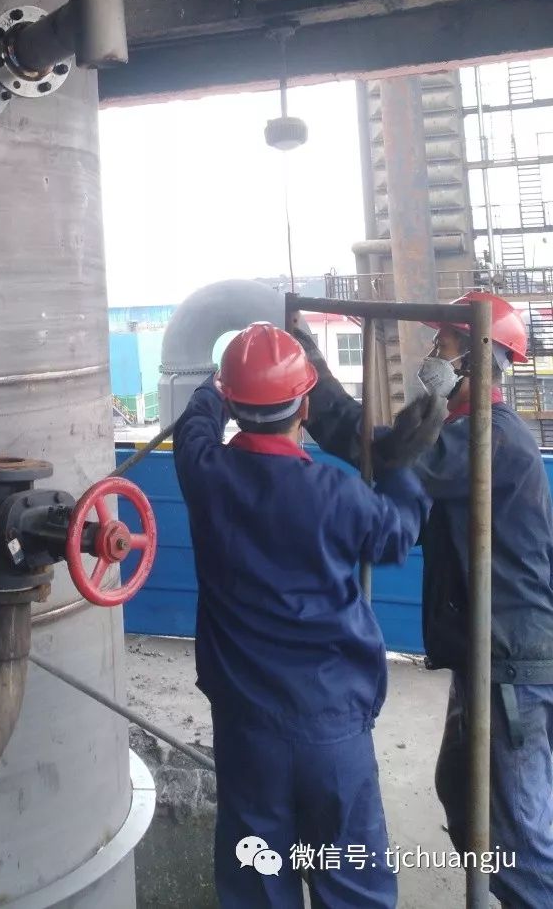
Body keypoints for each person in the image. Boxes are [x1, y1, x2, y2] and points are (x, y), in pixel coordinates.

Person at [172, 322, 439, 907]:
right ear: (306, 407)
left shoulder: (203, 472)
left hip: (246, 729)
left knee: (258, 882)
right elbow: (398, 534)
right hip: (330, 727)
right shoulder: (336, 495)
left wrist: (217, 387)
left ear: (235, 406)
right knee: (352, 884)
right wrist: (398, 464)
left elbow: (195, 422)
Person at [301, 290, 553, 908]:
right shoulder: (469, 435)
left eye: (446, 341)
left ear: (477, 357)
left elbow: (386, 451)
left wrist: (314, 380)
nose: (433, 353)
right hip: (487, 654)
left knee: (520, 838)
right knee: (461, 792)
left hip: (511, 661)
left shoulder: (489, 440)